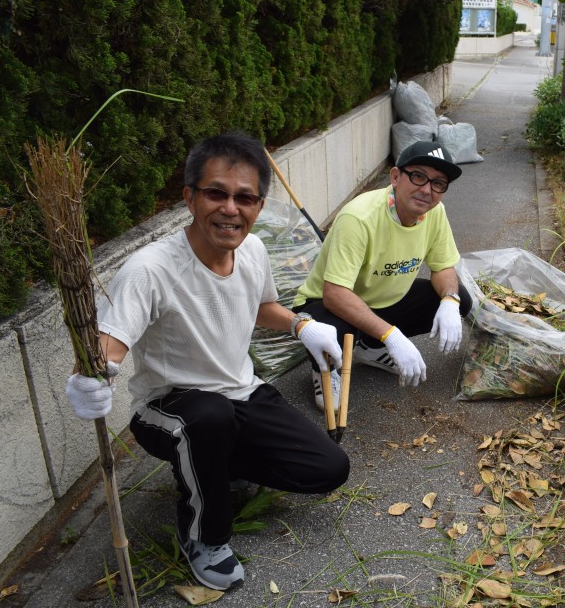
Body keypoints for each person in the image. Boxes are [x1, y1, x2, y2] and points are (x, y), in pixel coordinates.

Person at [63, 132, 349, 592]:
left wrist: (301, 326)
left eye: (245, 198)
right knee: (208, 419)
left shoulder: (253, 250)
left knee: (329, 469)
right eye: (216, 193)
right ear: (190, 198)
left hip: (241, 390)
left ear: (258, 206)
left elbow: (261, 307)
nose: (230, 208)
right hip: (169, 407)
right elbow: (109, 347)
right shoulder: (149, 269)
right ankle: (203, 535)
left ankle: (215, 466)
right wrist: (91, 378)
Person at [293, 141, 473, 403]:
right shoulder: (359, 218)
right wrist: (392, 335)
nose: (427, 190)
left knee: (459, 298)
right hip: (329, 304)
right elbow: (334, 294)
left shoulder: (434, 213)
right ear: (396, 177)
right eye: (419, 176)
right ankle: (326, 368)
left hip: (383, 299)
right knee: (329, 327)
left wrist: (449, 301)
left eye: (438, 183)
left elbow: (443, 265)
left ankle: (369, 347)